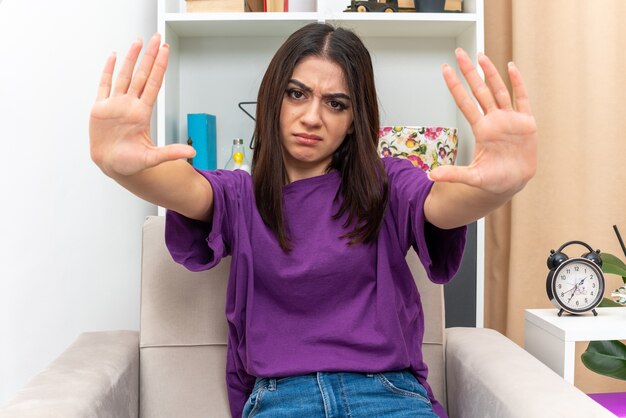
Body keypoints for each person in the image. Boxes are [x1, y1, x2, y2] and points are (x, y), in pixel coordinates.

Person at [90, 23, 536, 418]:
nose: (312, 117)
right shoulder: (238, 194)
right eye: (297, 93)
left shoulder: (387, 182)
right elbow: (183, 188)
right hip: (282, 399)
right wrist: (122, 164)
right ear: (273, 97)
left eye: (336, 103)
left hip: (389, 395)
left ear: (354, 121)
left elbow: (443, 205)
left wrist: (497, 185)